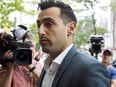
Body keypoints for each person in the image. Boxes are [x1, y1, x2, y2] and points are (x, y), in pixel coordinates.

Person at [36, 0, 110, 87]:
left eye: (49, 24)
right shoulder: (46, 67)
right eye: (39, 25)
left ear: (71, 28)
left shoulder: (90, 69)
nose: (40, 31)